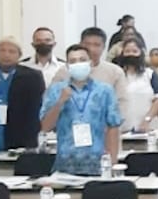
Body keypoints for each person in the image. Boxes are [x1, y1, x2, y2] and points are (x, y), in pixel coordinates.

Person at [39, 44, 121, 175]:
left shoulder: (104, 90)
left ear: (91, 63)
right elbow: (45, 127)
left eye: (82, 60)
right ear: (67, 66)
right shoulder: (56, 90)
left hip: (97, 161)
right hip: (65, 163)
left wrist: (113, 162)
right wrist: (60, 102)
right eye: (73, 61)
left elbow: (113, 127)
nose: (78, 64)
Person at [0, 37, 44, 152]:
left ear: (19, 55)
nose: (6, 55)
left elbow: (35, 111)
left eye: (11, 51)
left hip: (20, 137)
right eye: (2, 50)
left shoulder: (32, 77)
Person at [55, 26, 129, 120]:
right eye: (87, 44)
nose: (91, 49)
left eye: (96, 45)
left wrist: (113, 124)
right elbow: (51, 100)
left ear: (103, 47)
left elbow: (122, 103)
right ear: (80, 44)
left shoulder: (115, 72)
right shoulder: (65, 71)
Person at [114, 37, 158, 133]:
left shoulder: (150, 74)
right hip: (123, 128)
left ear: (141, 53)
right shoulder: (117, 74)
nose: (131, 54)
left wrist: (147, 119)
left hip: (148, 127)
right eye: (127, 51)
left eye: (134, 51)